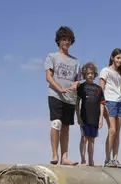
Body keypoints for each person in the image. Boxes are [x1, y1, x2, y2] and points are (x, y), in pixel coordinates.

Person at [44, 26, 81, 166]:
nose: (66, 42)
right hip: (55, 95)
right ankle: (55, 154)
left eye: (69, 39)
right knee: (56, 123)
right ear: (59, 40)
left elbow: (78, 80)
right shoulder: (52, 57)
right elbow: (48, 76)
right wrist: (59, 88)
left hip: (70, 98)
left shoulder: (75, 61)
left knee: (66, 127)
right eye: (64, 39)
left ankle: (65, 157)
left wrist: (75, 85)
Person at [99, 48, 121, 168]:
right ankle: (107, 159)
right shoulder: (105, 71)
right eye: (118, 58)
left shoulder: (120, 74)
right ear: (112, 57)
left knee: (117, 132)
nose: (120, 60)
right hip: (109, 101)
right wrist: (102, 104)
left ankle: (115, 158)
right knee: (112, 130)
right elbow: (101, 89)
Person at [75, 62, 105, 166]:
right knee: (84, 138)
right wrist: (78, 116)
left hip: (95, 118)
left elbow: (102, 104)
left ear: (95, 74)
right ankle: (83, 159)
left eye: (92, 73)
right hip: (84, 117)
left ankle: (91, 160)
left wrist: (101, 118)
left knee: (92, 139)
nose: (90, 75)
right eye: (88, 73)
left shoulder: (98, 89)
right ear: (85, 75)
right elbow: (77, 102)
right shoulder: (81, 87)